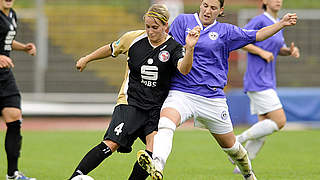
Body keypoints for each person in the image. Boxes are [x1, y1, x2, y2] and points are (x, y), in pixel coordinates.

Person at [136, 0, 297, 179]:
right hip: (182, 91)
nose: (207, 10)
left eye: (213, 8)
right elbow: (162, 43)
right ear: (200, 5)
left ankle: (248, 174)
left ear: (220, 10)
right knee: (166, 123)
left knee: (233, 149)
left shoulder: (226, 31)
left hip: (212, 98)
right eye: (205, 5)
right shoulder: (182, 21)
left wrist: (281, 23)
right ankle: (158, 166)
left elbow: (257, 35)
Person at [68, 4, 200, 180]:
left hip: (155, 109)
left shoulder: (174, 47)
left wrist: (190, 48)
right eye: (147, 26)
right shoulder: (133, 38)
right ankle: (75, 177)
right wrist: (86, 59)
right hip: (130, 103)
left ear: (165, 26)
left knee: (152, 152)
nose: (150, 31)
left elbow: (184, 69)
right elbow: (111, 48)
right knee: (111, 144)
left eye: (155, 27)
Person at [231, 0, 300, 174]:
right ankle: (237, 141)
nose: (278, 0)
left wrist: (288, 51)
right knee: (280, 121)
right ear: (265, 2)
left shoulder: (278, 23)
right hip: (258, 79)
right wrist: (261, 52)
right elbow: (241, 40)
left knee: (263, 128)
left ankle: (242, 168)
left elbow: (276, 49)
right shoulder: (260, 20)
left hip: (268, 80)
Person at [0, 0, 37, 179]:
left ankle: (12, 174)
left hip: (5, 76)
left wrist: (23, 47)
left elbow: (6, 40)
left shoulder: (12, 14)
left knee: (14, 118)